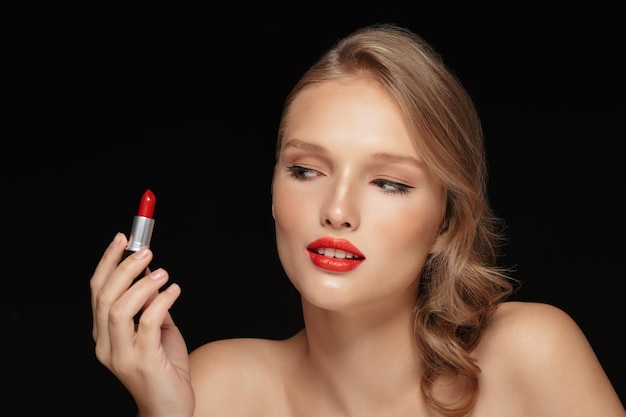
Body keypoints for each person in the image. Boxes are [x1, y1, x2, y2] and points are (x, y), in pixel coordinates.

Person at [90, 23, 625, 417]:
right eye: (305, 170)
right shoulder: (217, 389)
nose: (337, 211)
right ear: (273, 195)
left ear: (447, 223)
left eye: (390, 182)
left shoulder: (533, 354)